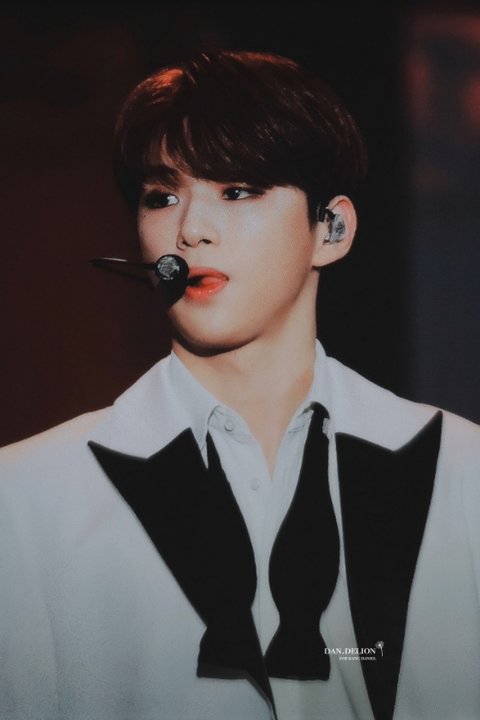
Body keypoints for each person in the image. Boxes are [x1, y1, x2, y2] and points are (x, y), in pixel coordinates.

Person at [1, 48, 479, 720]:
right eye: (162, 196)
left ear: (332, 229)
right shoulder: (26, 499)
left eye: (237, 190)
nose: (189, 230)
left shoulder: (463, 473)